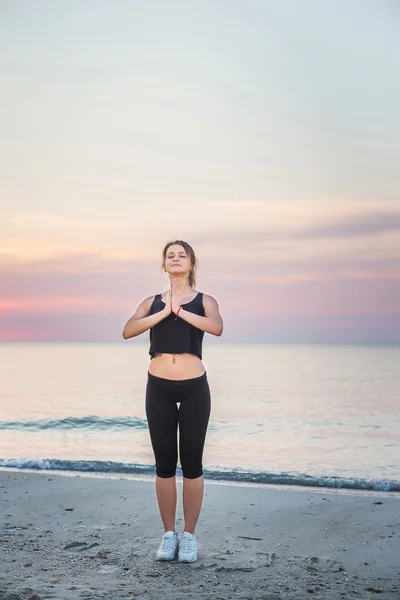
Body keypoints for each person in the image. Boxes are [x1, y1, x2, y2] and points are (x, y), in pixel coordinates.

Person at [122, 240, 223, 563]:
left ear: (191, 264)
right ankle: (169, 535)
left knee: (192, 465)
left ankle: (189, 536)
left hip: (194, 387)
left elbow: (217, 328)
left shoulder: (205, 300)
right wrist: (164, 311)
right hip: (159, 388)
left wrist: (180, 311)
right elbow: (128, 330)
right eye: (170, 256)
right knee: (164, 465)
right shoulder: (150, 302)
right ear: (164, 265)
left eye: (182, 255)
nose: (176, 259)